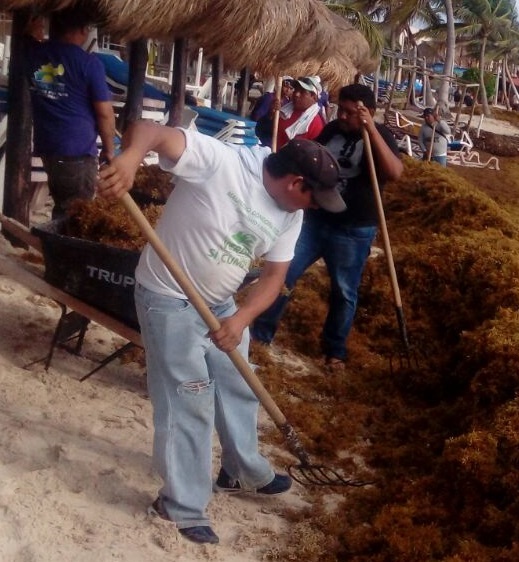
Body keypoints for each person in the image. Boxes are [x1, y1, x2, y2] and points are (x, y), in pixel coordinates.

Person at [96, 120, 346, 545]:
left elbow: (272, 279)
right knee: (187, 396)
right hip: (167, 296)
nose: (316, 207)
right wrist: (130, 159)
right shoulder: (222, 162)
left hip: (222, 304)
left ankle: (241, 471)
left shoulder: (291, 215)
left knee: (237, 382)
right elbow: (151, 130)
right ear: (295, 181)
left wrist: (240, 319)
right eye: (314, 197)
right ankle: (181, 505)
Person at [252, 84, 404, 371]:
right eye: (341, 110)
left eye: (350, 112)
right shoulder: (332, 129)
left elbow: (395, 173)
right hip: (315, 220)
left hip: (353, 228)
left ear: (368, 112)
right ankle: (261, 333)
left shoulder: (380, 135)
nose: (343, 117)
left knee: (344, 291)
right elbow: (310, 156)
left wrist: (370, 129)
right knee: (285, 274)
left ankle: (335, 351)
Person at [26, 6, 116, 220]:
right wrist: (110, 150)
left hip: (48, 148)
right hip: (77, 151)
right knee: (77, 214)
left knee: (63, 206)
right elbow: (105, 113)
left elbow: (29, 33)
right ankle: (61, 252)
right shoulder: (89, 63)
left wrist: (35, 24)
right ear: (84, 30)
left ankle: (55, 249)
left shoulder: (32, 53)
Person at [274, 75, 325, 148]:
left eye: (303, 92)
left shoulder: (316, 123)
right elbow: (262, 131)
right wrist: (271, 115)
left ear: (314, 97)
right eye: (296, 90)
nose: (296, 94)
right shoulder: (284, 111)